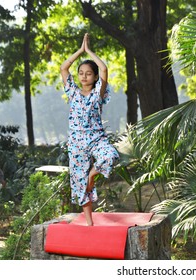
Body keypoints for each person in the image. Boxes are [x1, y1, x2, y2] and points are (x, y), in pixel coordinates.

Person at [60, 33, 119, 226]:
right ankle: (89, 222)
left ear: (94, 77)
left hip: (96, 138)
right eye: (81, 73)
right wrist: (79, 50)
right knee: (79, 182)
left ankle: (92, 174)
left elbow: (103, 68)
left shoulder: (98, 94)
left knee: (110, 156)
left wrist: (89, 51)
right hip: (76, 142)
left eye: (88, 73)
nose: (84, 76)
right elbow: (63, 67)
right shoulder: (72, 92)